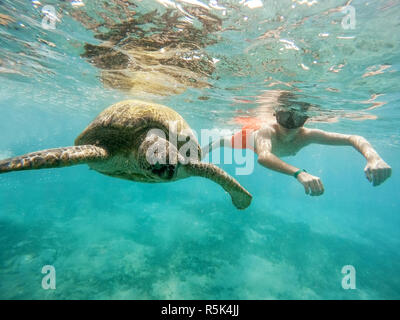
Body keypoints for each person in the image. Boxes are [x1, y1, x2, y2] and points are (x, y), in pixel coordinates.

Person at [202, 98, 392, 196]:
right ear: (276, 116)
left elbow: (352, 137)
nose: (290, 126)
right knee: (223, 142)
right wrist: (299, 173)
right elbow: (264, 156)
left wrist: (373, 157)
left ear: (305, 120)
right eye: (285, 118)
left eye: (298, 119)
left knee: (224, 141)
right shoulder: (266, 131)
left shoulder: (307, 136)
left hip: (263, 143)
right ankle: (201, 150)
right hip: (249, 140)